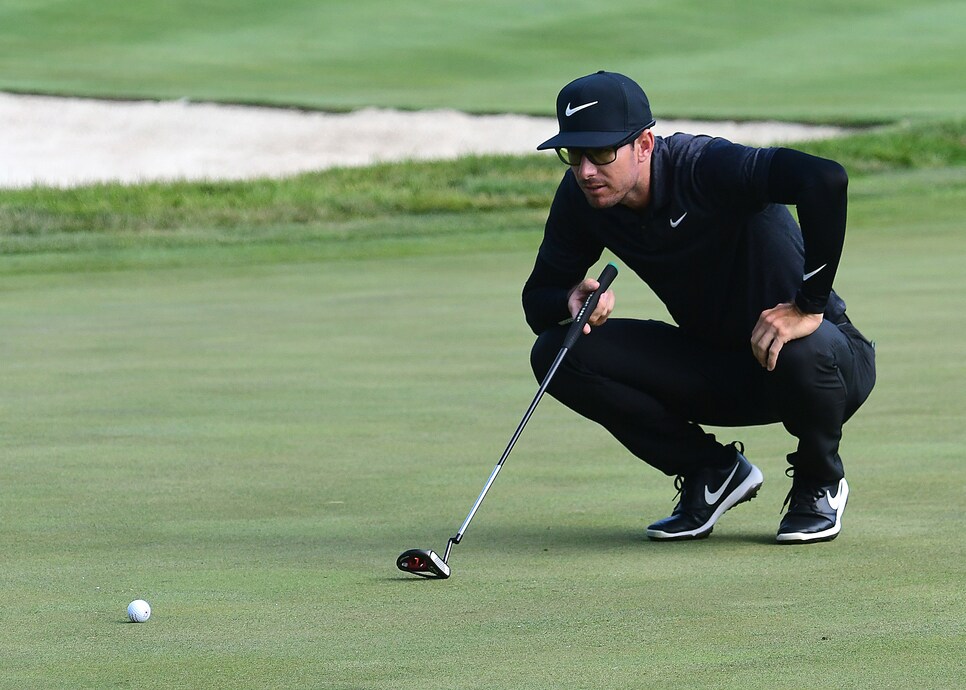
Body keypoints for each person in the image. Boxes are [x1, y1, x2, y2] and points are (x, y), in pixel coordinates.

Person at [524, 71, 876, 544]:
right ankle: (711, 472)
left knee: (801, 344)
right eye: (574, 154)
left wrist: (808, 306)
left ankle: (820, 479)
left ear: (644, 144)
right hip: (718, 369)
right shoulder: (582, 199)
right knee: (556, 351)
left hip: (824, 367)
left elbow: (825, 179)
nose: (586, 170)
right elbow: (537, 303)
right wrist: (568, 300)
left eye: (602, 152)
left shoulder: (704, 167)